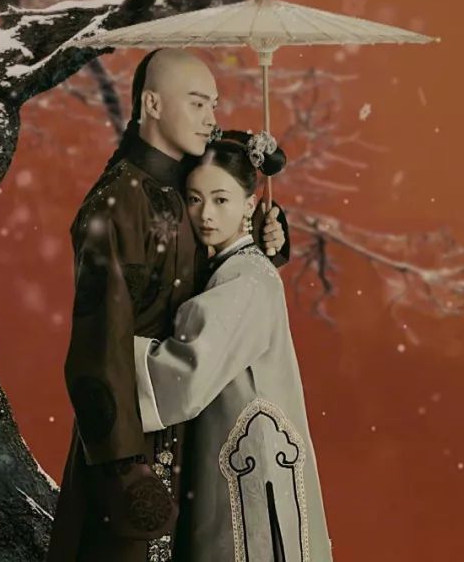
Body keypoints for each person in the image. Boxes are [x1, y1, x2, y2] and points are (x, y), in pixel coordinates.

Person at [46, 50, 289, 562]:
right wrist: (124, 468)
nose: (210, 118)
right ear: (152, 104)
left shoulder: (186, 185)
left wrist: (261, 234)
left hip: (190, 423)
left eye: (213, 104)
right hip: (132, 430)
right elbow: (97, 345)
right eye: (197, 103)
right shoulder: (114, 205)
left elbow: (215, 252)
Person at [133, 131, 332, 561]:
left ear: (249, 204)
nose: (206, 214)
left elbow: (185, 374)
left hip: (254, 464)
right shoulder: (237, 268)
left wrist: (112, 353)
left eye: (221, 200)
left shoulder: (245, 279)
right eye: (194, 199)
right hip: (244, 453)